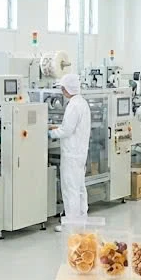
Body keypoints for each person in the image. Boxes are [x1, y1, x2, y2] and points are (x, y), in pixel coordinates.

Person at [49, 73, 91, 232]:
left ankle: (71, 225)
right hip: (80, 153)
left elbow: (66, 130)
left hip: (71, 154)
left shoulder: (73, 106)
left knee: (70, 189)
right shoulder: (82, 103)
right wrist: (57, 128)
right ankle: (81, 221)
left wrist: (51, 133)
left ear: (67, 89)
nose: (62, 91)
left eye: (63, 88)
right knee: (79, 188)